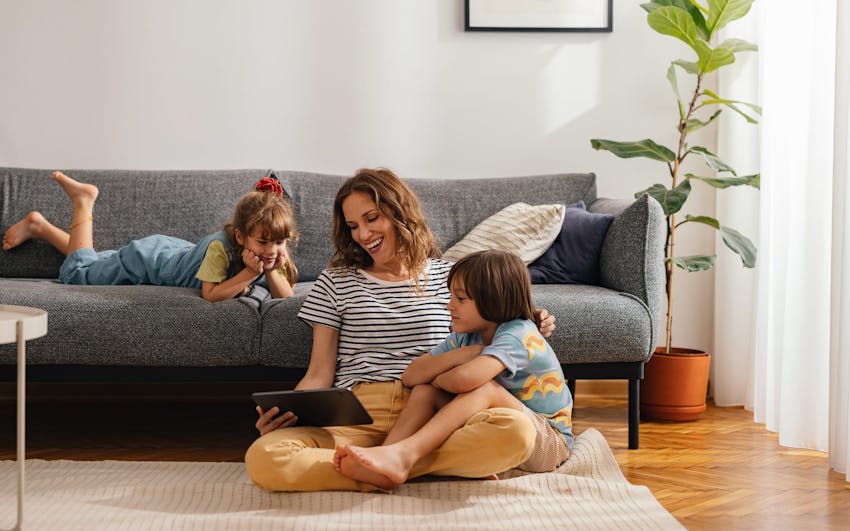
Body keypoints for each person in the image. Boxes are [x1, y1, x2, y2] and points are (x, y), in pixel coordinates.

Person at [246, 167, 556, 492]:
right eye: (353, 226)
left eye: (372, 218)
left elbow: (493, 335)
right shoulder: (334, 280)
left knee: (517, 432)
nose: (363, 234)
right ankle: (415, 466)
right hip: (359, 411)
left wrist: (530, 322)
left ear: (400, 212)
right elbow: (319, 373)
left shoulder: (452, 277)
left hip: (436, 410)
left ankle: (389, 462)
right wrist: (290, 413)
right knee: (266, 456)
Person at [332, 249, 573, 490]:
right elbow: (412, 375)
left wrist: (439, 377)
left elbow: (465, 380)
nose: (449, 306)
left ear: (494, 299)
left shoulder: (519, 334)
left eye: (460, 299)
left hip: (547, 441)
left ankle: (407, 455)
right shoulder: (466, 338)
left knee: (485, 389)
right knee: (425, 391)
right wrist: (467, 353)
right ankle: (387, 456)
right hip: (499, 424)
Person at [2, 171, 297, 301]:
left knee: (92, 261)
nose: (272, 249)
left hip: (171, 251)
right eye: (264, 242)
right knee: (79, 273)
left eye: (279, 242)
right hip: (148, 261)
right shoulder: (220, 248)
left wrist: (270, 270)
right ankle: (83, 202)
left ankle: (38, 226)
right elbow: (211, 295)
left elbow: (285, 297)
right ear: (241, 236)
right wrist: (248, 273)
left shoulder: (269, 250)